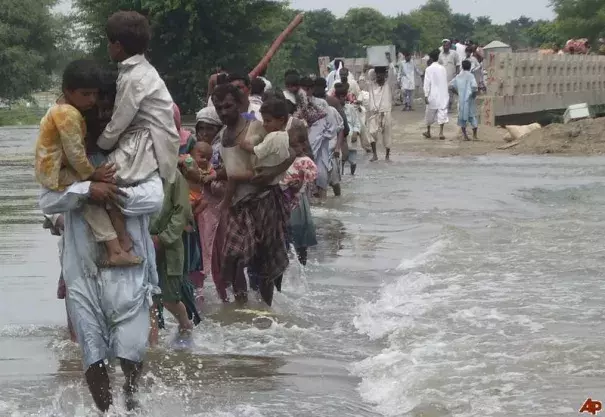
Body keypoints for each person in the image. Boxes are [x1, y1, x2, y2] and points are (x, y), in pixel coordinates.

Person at [34, 59, 141, 268]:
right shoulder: (68, 113)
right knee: (95, 196)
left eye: (94, 94)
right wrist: (92, 176)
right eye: (86, 94)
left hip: (56, 169)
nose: (92, 100)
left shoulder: (62, 108)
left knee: (100, 194)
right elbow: (75, 153)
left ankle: (119, 243)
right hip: (56, 172)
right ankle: (116, 246)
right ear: (68, 91)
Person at [211, 83, 294, 306]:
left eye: (228, 106)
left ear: (240, 104)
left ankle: (265, 310)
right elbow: (231, 169)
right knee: (234, 256)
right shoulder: (221, 137)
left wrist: (270, 173)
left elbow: (291, 152)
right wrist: (210, 175)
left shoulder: (255, 127)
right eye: (218, 108)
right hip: (237, 203)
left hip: (264, 200)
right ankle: (241, 308)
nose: (223, 112)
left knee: (265, 260)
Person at [97, 11, 180, 186]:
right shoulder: (142, 70)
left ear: (117, 46)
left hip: (147, 141)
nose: (107, 47)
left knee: (95, 172)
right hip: (149, 139)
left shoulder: (135, 77)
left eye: (108, 42)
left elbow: (118, 122)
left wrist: (99, 145)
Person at [221, 97, 291, 209]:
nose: (264, 124)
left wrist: (246, 146)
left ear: (281, 120)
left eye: (268, 121)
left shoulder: (273, 136)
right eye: (264, 121)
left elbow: (259, 151)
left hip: (260, 172)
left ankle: (225, 203)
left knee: (233, 177)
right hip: (274, 177)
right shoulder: (285, 135)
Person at [281, 124, 318, 266]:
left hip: (297, 201)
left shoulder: (306, 162)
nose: (291, 149)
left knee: (300, 233)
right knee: (286, 233)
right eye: (289, 146)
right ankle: (287, 264)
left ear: (303, 145)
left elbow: (311, 178)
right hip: (284, 199)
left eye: (294, 146)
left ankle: (302, 263)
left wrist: (301, 179)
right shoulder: (285, 159)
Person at [366, 67, 393, 162]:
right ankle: (375, 154)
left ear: (385, 75)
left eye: (381, 74)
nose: (378, 76)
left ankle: (387, 155)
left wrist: (387, 64)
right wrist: (377, 65)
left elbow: (392, 72)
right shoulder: (371, 85)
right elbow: (370, 72)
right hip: (374, 113)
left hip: (386, 112)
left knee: (387, 134)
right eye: (377, 74)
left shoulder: (388, 85)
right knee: (371, 133)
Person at [449, 60, 479, 141]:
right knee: (472, 117)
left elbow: (450, 86)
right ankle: (475, 136)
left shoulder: (458, 76)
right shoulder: (471, 76)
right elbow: (475, 87)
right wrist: (474, 95)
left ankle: (465, 136)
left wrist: (458, 93)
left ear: (462, 67)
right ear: (469, 67)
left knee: (462, 118)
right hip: (470, 100)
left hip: (462, 101)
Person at [423, 50, 449, 140]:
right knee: (442, 112)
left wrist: (426, 95)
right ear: (438, 57)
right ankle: (441, 133)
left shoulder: (428, 69)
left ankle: (428, 131)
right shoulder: (443, 68)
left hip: (432, 95)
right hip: (442, 94)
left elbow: (427, 83)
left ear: (431, 58)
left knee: (429, 113)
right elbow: (445, 82)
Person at [335, 82, 360, 175]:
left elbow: (357, 122)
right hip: (340, 139)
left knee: (353, 162)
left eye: (344, 97)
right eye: (340, 97)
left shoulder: (350, 108)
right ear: (337, 97)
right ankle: (341, 177)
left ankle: (352, 176)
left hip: (351, 138)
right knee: (340, 160)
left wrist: (356, 132)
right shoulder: (334, 109)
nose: (343, 99)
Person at [438, 39, 461, 111]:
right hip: (442, 76)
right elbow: (438, 64)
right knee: (443, 91)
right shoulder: (440, 54)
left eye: (447, 45)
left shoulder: (454, 53)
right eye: (444, 45)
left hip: (452, 75)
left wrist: (457, 74)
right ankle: (445, 105)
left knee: (450, 91)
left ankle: (449, 105)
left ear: (449, 46)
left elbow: (457, 64)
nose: (445, 47)